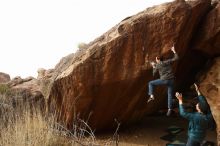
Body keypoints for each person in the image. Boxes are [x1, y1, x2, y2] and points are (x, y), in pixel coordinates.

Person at [147, 45, 179, 116]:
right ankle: (169, 109)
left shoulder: (157, 65)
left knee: (151, 83)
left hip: (164, 80)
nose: (155, 60)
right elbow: (176, 58)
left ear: (158, 60)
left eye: (156, 59)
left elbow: (154, 73)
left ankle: (151, 95)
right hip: (171, 80)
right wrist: (173, 51)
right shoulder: (167, 62)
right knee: (170, 94)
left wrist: (153, 66)